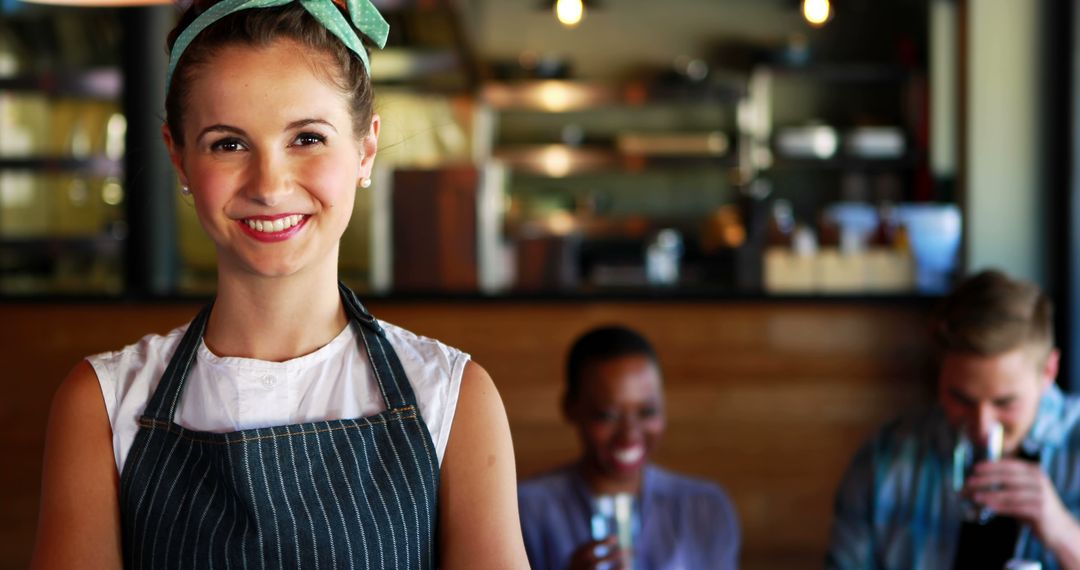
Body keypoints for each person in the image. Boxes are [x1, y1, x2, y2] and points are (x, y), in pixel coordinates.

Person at [30, 0, 529, 567]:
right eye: (229, 143)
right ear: (179, 158)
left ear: (365, 148)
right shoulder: (102, 402)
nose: (269, 185)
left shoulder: (453, 398)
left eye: (307, 138)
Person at [827, 269, 1080, 570]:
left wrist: (1063, 532)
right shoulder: (884, 459)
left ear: (1048, 372)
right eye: (962, 399)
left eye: (1005, 402)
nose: (983, 427)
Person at [518, 325, 740, 570]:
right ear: (570, 407)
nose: (629, 434)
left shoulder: (703, 508)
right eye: (607, 415)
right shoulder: (524, 512)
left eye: (647, 412)